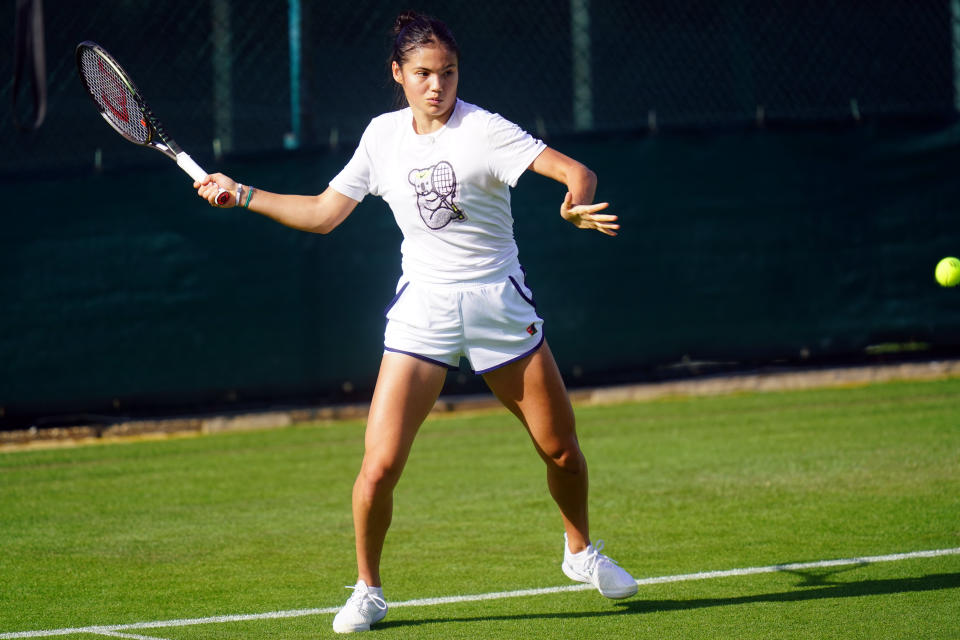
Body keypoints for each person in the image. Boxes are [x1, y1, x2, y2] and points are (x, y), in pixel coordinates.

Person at [195, 11, 637, 634]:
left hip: (496, 304)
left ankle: (579, 551)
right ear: (398, 74)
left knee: (562, 451)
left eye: (448, 73)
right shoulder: (381, 137)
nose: (437, 85)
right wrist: (242, 193)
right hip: (423, 312)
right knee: (378, 466)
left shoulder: (484, 129)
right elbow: (324, 213)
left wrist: (573, 202)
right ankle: (368, 591)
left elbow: (574, 171)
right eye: (424, 73)